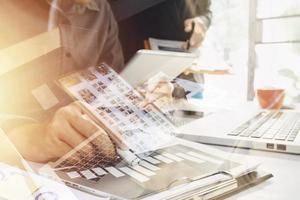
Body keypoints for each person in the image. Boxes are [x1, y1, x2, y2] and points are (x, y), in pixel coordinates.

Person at [1, 0, 122, 163]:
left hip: (88, 152)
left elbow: (113, 84)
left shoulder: (100, 10)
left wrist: (144, 97)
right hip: (18, 162)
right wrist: (34, 137)